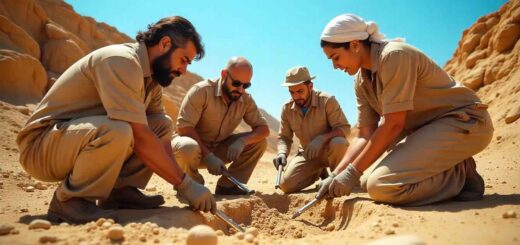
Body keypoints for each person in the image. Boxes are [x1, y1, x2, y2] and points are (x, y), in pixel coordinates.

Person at [16, 16, 217, 223]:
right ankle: (69, 202)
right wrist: (185, 184)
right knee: (118, 130)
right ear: (165, 44)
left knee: (161, 123)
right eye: (184, 60)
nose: (184, 71)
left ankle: (120, 191)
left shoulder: (152, 80)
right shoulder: (122, 61)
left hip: (71, 141)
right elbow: (140, 136)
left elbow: (160, 138)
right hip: (41, 148)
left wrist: (182, 184)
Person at [317, 14, 493, 206]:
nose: (334, 66)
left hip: (466, 123)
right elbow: (364, 134)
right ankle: (451, 168)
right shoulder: (361, 81)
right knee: (367, 181)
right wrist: (337, 174)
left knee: (381, 186)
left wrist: (351, 173)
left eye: (336, 57)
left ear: (354, 45)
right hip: (428, 131)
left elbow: (393, 124)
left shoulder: (394, 56)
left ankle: (461, 175)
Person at [172, 56, 269, 195]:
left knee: (260, 142)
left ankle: (227, 186)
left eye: (246, 85)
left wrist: (243, 141)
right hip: (190, 152)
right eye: (236, 83)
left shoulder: (245, 99)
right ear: (224, 74)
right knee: (187, 146)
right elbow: (184, 128)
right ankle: (192, 186)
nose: (241, 90)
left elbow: (263, 129)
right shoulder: (201, 91)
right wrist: (208, 156)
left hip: (218, 151)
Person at [274, 66, 350, 193]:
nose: (296, 96)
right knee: (285, 185)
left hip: (330, 151)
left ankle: (339, 178)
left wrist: (322, 138)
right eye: (292, 92)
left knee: (339, 143)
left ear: (310, 86)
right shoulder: (286, 109)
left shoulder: (327, 100)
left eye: (300, 91)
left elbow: (344, 129)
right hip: (308, 154)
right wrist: (281, 153)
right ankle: (318, 172)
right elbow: (284, 137)